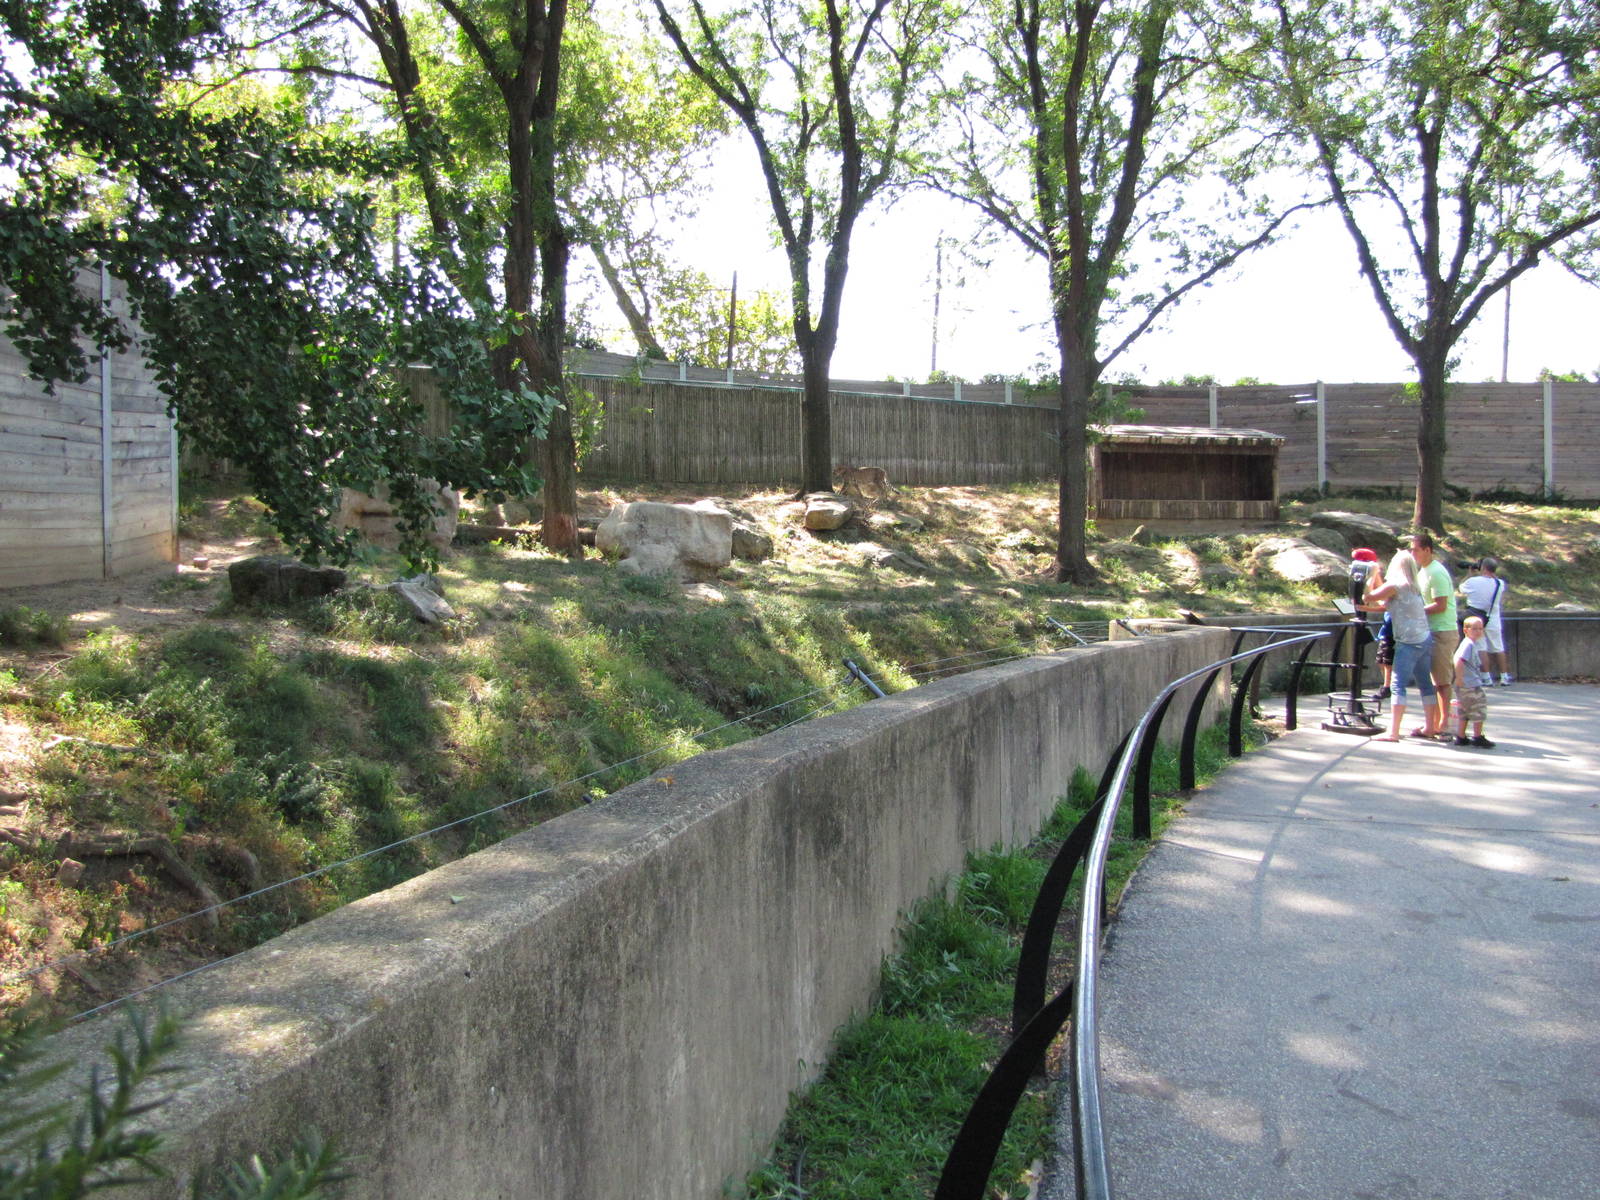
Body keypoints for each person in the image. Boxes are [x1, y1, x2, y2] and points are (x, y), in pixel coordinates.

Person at [1361, 549, 1439, 742]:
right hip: (1424, 638)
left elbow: (1368, 596)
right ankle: (1430, 727)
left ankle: (1394, 732)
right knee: (1425, 684)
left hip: (1408, 641)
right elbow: (1386, 603)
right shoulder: (1413, 587)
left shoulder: (1396, 585)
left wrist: (1372, 574)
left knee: (1397, 685)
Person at [1410, 532, 1456, 735]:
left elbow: (1441, 605)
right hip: (1429, 631)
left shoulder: (1436, 572)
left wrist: (1416, 610)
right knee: (1433, 680)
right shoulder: (1423, 571)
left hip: (1442, 631)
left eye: (1415, 550)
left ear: (1427, 550)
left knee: (1442, 681)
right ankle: (1433, 723)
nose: (1413, 554)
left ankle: (1444, 724)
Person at [1458, 557, 1511, 685]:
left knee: (1481, 648)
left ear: (1483, 568)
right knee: (1498, 647)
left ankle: (1486, 677)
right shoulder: (1500, 583)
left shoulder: (1472, 581)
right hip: (1493, 618)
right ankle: (1504, 677)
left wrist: (1469, 574)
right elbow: (1495, 580)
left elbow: (1461, 588)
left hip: (1477, 619)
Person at [1451, 616, 1494, 747]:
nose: (1478, 631)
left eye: (1480, 628)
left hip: (1467, 683)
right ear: (1465, 630)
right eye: (1474, 629)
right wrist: (1459, 678)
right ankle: (1477, 736)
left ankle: (1461, 736)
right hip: (1470, 684)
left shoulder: (1470, 644)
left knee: (1464, 711)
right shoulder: (1468, 644)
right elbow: (1458, 660)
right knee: (1478, 710)